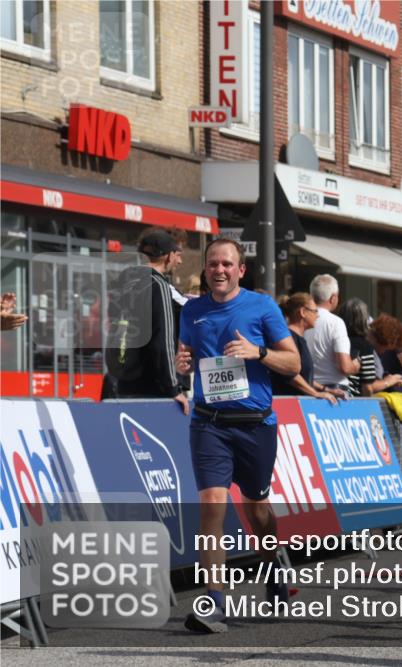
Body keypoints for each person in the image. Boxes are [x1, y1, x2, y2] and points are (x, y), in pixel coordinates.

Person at [175, 239, 301, 634]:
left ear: (240, 270)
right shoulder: (192, 310)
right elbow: (188, 356)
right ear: (206, 269)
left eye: (227, 264)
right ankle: (214, 598)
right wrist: (183, 363)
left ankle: (274, 561)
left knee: (257, 509)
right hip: (209, 422)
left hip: (254, 425)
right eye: (213, 264)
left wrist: (258, 353)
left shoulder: (262, 307)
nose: (219, 270)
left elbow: (293, 361)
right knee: (212, 505)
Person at [103, 230, 189, 414]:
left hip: (124, 381)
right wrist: (172, 387)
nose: (179, 261)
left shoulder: (124, 282)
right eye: (177, 255)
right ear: (168, 255)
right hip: (155, 386)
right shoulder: (158, 285)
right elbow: (162, 340)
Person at [270, 293, 343, 403]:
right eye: (315, 311)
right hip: (289, 406)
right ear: (303, 312)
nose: (317, 315)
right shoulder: (288, 339)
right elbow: (290, 375)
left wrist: (325, 389)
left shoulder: (298, 339)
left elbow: (303, 377)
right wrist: (315, 393)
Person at [306, 274, 359, 392]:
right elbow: (345, 367)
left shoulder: (302, 320)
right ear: (333, 298)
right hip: (335, 391)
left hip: (309, 388)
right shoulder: (336, 322)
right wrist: (355, 366)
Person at [366, 314, 402, 394]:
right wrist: (389, 381)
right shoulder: (367, 351)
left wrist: (386, 378)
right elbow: (369, 386)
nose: (384, 352)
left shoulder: (373, 352)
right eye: (385, 348)